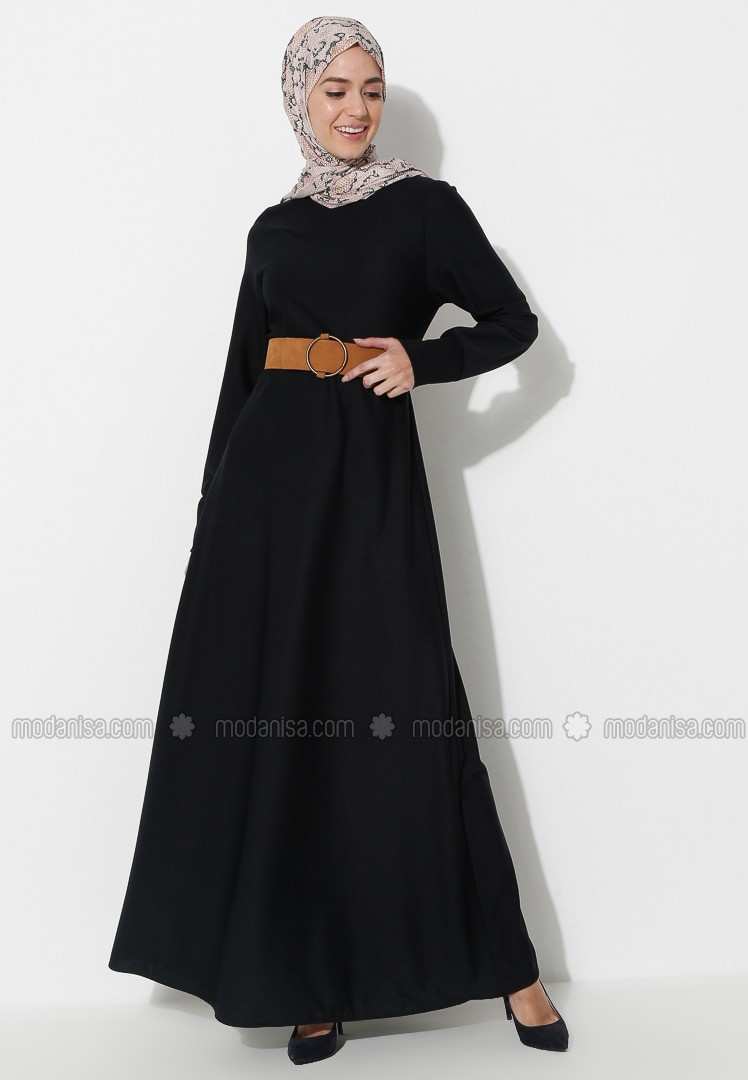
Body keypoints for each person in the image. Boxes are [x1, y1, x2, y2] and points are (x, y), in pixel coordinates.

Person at [108, 15, 569, 1065]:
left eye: (370, 88)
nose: (356, 108)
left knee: (412, 711)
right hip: (262, 498)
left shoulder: (424, 206)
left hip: (365, 485)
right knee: (286, 723)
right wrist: (212, 515)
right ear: (299, 98)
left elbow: (512, 323)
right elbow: (241, 372)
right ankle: (304, 982)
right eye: (334, 90)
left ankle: (515, 972)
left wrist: (419, 359)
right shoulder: (272, 226)